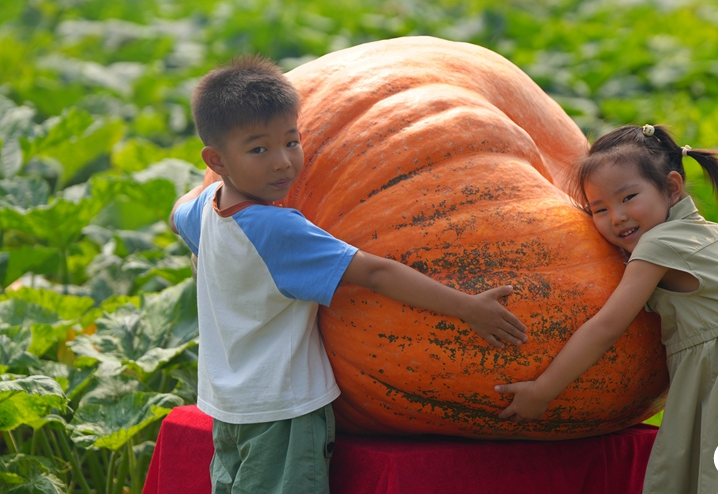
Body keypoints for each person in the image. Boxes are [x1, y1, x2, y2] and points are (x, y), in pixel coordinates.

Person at [170, 55, 528, 494]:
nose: (283, 162)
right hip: (283, 410)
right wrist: (467, 307)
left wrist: (215, 184)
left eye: (291, 141)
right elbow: (376, 273)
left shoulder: (203, 212)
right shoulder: (280, 229)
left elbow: (177, 212)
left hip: (227, 407)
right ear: (217, 159)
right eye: (258, 149)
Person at [494, 124, 718, 493]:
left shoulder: (659, 245)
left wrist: (544, 390)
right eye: (599, 209)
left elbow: (607, 325)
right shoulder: (706, 230)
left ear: (672, 187)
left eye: (628, 197)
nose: (617, 217)